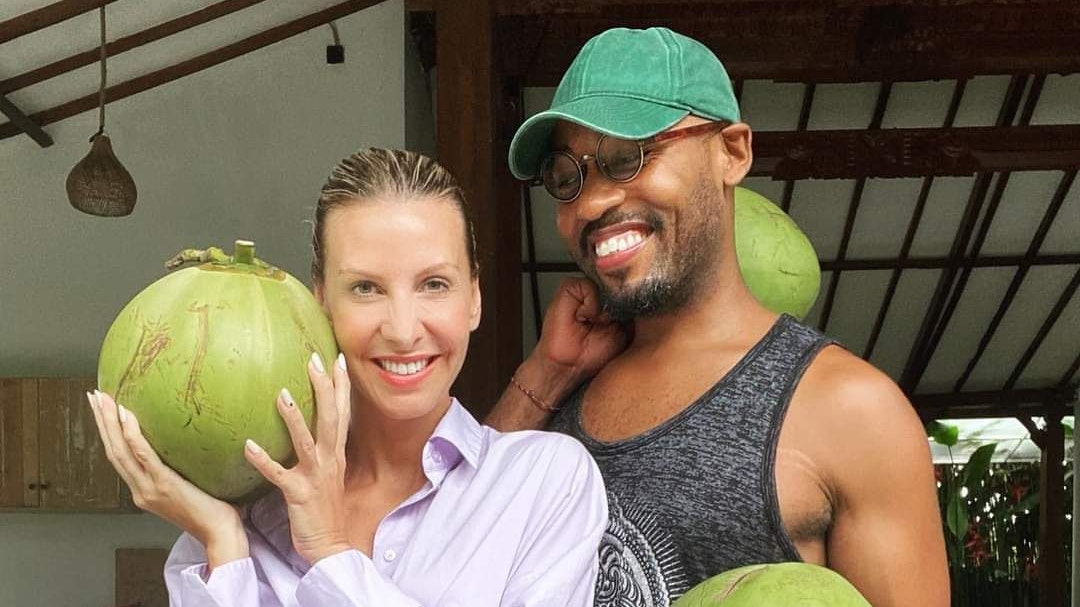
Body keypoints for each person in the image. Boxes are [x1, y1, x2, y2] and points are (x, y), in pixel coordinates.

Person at [486, 27, 949, 607]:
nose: (592, 202)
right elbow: (453, 549)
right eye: (566, 177)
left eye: (628, 157)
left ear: (731, 153)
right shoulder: (562, 384)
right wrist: (547, 376)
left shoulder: (849, 409)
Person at [88, 148, 607, 606]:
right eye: (365, 288)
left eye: (433, 284)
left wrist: (330, 552)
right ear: (320, 303)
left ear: (473, 297)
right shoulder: (242, 522)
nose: (404, 331)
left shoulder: (543, 483)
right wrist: (223, 540)